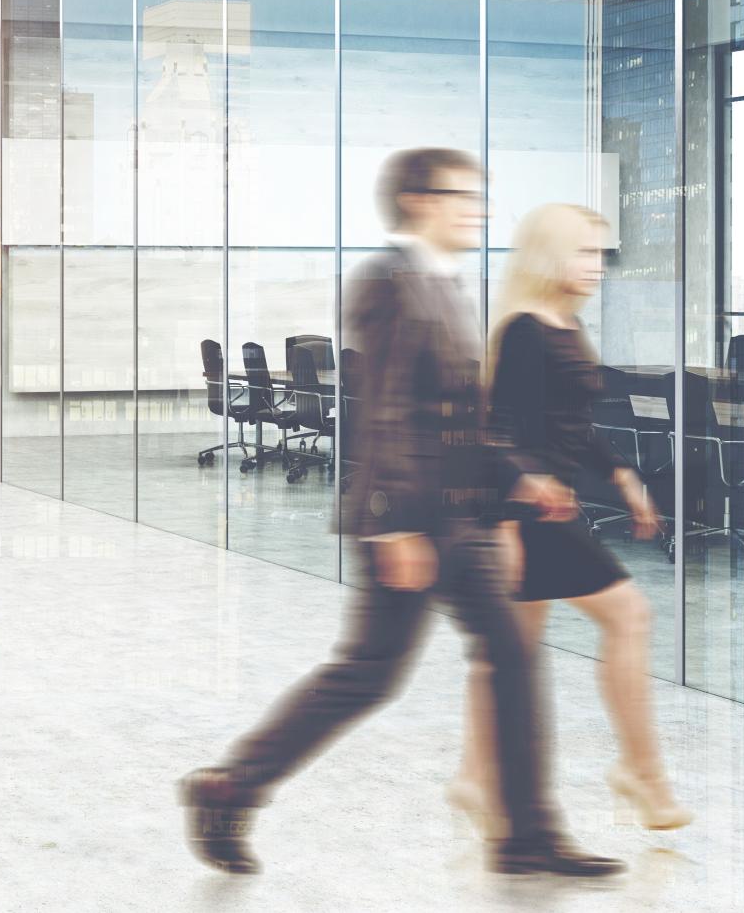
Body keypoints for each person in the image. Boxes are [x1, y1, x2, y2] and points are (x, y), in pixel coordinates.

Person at [177, 148, 623, 880]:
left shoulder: (445, 285)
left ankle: (523, 837)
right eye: (459, 196)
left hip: (457, 519)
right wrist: (389, 523)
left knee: (500, 656)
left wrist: (523, 478)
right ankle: (229, 786)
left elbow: (460, 415)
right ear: (418, 201)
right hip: (413, 519)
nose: (473, 209)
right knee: (369, 674)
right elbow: (379, 412)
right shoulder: (386, 281)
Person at [452, 203, 689, 836]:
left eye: (599, 254)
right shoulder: (525, 330)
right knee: (629, 616)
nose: (597, 266)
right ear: (549, 256)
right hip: (532, 514)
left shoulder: (564, 325)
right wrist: (507, 518)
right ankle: (643, 773)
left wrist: (624, 477)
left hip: (552, 506)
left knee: (511, 648)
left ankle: (473, 776)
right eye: (584, 252)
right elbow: (496, 435)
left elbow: (575, 430)